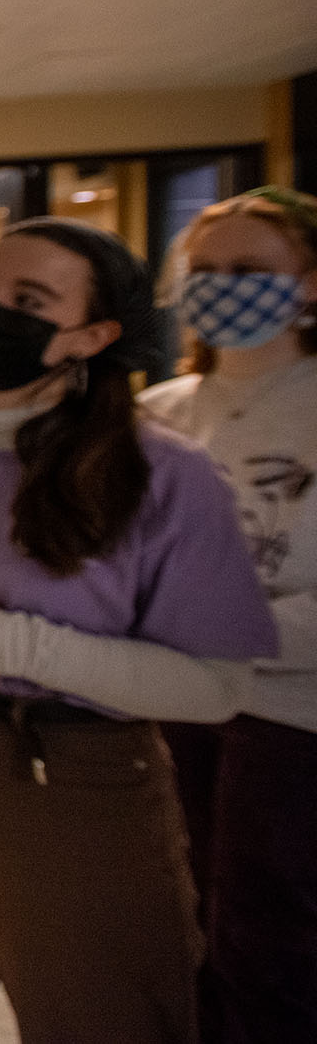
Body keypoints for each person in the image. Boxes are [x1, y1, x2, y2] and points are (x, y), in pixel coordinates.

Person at [0, 217, 277, 1043]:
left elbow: (217, 686)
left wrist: (18, 647)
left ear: (92, 335)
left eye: (28, 299)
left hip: (73, 769)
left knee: (98, 1010)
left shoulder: (164, 475)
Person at [139, 186, 317, 1044]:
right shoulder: (157, 414)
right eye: (205, 271)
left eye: (251, 270)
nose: (224, 287)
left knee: (272, 942)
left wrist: (197, 627)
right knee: (182, 922)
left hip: (290, 724)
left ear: (309, 283)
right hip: (172, 708)